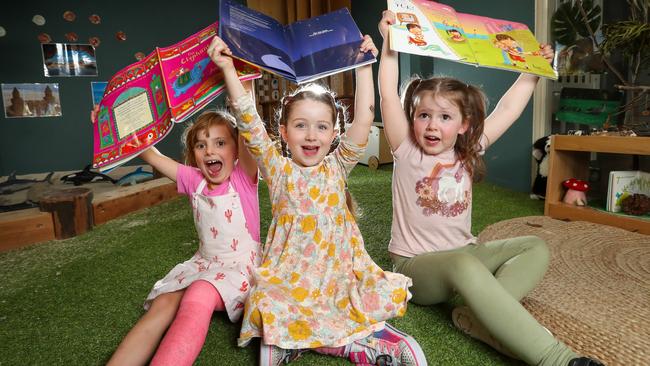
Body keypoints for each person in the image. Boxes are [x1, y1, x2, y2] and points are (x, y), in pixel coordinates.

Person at [378, 10, 603, 366]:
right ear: (413, 120)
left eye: (445, 117)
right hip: (416, 269)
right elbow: (389, 98)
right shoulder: (406, 149)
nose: (432, 125)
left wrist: (531, 70)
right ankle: (559, 359)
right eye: (424, 116)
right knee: (464, 267)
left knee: (535, 246)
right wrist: (390, 44)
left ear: (465, 125)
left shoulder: (468, 151)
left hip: (465, 256)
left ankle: (479, 320)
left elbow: (509, 109)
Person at [208, 34, 427, 366]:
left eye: (321, 127)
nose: (311, 135)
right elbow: (249, 123)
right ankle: (340, 343)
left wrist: (364, 65)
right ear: (283, 132)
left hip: (339, 273)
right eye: (300, 126)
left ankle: (344, 342)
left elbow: (365, 119)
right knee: (265, 300)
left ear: (334, 133)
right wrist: (227, 70)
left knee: (362, 295)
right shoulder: (278, 168)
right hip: (292, 276)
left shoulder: (337, 166)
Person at [100, 80, 261, 366]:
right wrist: (111, 122)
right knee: (161, 306)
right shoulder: (193, 179)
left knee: (197, 295)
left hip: (240, 266)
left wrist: (243, 83)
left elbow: (250, 124)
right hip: (203, 263)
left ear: (237, 150)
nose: (210, 151)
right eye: (201, 145)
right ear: (194, 154)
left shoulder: (243, 177)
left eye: (220, 143)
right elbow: (149, 152)